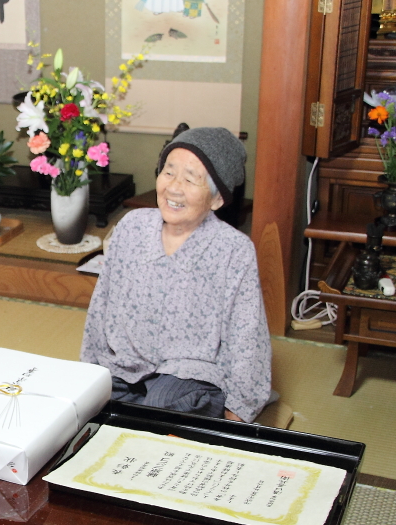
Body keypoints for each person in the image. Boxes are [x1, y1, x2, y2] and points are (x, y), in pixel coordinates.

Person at [80, 127, 271, 423]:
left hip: (188, 376)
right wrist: (87, 374)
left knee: (165, 404)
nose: (174, 188)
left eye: (191, 179)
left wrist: (240, 408)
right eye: (168, 173)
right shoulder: (132, 226)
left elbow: (246, 335)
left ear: (217, 199)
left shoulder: (233, 250)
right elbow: (101, 303)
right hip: (124, 367)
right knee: (82, 405)